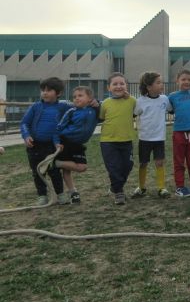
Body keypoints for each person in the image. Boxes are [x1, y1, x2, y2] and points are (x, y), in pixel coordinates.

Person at [20, 77, 71, 205]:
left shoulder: (63, 107)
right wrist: (26, 136)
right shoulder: (35, 107)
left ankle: (60, 194)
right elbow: (24, 123)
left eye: (48, 90)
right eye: (43, 90)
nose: (44, 93)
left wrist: (95, 103)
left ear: (58, 93)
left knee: (54, 171)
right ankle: (42, 196)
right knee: (37, 171)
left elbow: (78, 109)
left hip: (53, 146)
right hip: (34, 145)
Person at [49, 86, 99, 204]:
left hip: (78, 144)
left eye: (80, 96)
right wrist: (57, 143)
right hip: (65, 141)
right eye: (74, 97)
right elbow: (58, 129)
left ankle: (56, 163)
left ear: (90, 98)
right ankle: (73, 192)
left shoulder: (95, 110)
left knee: (81, 167)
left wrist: (97, 103)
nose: (76, 98)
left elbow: (104, 106)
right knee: (68, 170)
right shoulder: (71, 112)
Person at [131, 72, 172, 199]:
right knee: (143, 163)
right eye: (158, 82)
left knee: (159, 163)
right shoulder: (140, 102)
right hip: (144, 139)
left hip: (159, 139)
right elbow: (132, 115)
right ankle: (142, 187)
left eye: (162, 82)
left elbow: (172, 110)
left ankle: (161, 188)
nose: (162, 85)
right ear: (149, 87)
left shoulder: (165, 99)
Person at [99, 72, 136, 205]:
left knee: (128, 165)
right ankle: (119, 192)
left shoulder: (132, 101)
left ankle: (114, 186)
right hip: (108, 141)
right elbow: (102, 117)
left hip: (126, 140)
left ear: (126, 86)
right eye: (115, 84)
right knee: (113, 167)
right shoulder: (105, 103)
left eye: (122, 83)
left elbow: (139, 111)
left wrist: (129, 96)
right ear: (109, 87)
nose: (118, 86)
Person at [168, 69, 190, 198]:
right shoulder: (172, 96)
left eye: (189, 79)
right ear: (177, 81)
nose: (186, 82)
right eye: (183, 79)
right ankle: (180, 187)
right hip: (179, 134)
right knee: (179, 162)